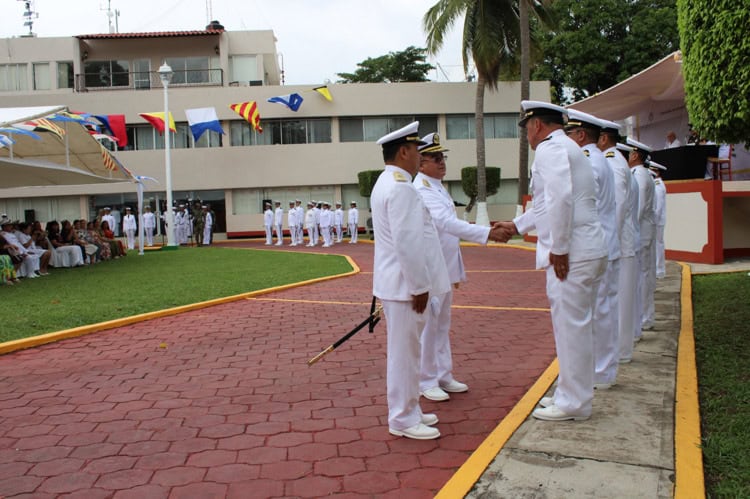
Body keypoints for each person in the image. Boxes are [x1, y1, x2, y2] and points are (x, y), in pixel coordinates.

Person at [496, 101, 607, 421]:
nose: (527, 136)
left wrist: (559, 247)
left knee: (571, 329)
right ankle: (570, 393)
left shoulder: (549, 150)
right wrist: (517, 226)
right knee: (575, 328)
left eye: (527, 129)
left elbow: (560, 198)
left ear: (536, 126)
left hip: (573, 252)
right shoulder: (566, 147)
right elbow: (548, 203)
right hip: (585, 248)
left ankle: (575, 402)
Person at [414, 132, 510, 402]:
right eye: (435, 158)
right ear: (421, 163)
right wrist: (486, 233)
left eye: (442, 156)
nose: (442, 162)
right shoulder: (422, 189)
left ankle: (443, 374)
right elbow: (446, 223)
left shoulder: (436, 186)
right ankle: (426, 380)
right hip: (431, 270)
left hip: (443, 268)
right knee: (429, 328)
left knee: (442, 325)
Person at [371, 121, 451, 440]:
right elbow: (408, 243)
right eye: (416, 148)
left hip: (398, 284)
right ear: (403, 151)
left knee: (410, 353)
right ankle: (402, 418)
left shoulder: (388, 182)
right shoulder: (401, 187)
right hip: (405, 287)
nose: (420, 154)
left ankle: (411, 408)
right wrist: (419, 286)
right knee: (404, 355)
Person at [565, 110, 621, 390]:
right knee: (603, 308)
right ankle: (603, 368)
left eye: (570, 134)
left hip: (595, 244)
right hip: (605, 243)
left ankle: (602, 370)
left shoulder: (589, 163)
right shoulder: (599, 160)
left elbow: (583, 208)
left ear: (581, 135)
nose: (567, 140)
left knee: (598, 311)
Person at [598, 120, 639, 365]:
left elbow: (619, 204)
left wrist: (607, 238)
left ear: (604, 139)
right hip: (620, 242)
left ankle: (618, 353)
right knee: (618, 302)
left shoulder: (612, 163)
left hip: (617, 244)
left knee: (616, 304)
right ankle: (619, 352)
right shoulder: (618, 162)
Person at [626, 137, 656, 337]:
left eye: (629, 153)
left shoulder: (640, 176)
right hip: (643, 231)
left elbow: (637, 209)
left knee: (642, 278)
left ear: (636, 155)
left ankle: (644, 318)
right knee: (643, 276)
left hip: (640, 232)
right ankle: (645, 317)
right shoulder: (642, 174)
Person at [649, 161, 668, 279]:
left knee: (658, 244)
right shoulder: (656, 184)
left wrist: (653, 221)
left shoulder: (658, 186)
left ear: (657, 172)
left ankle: (659, 269)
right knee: (656, 244)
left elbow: (658, 207)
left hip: (657, 221)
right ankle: (657, 269)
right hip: (657, 220)